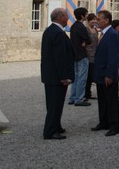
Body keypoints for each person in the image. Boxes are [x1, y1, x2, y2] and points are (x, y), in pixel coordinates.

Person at [40, 7, 74, 140]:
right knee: (55, 104)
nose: (68, 18)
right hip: (56, 76)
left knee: (53, 103)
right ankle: (50, 131)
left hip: (49, 75)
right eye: (66, 16)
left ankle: (56, 125)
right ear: (60, 17)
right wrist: (64, 76)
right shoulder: (58, 33)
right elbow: (60, 57)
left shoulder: (49, 30)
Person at [91, 10, 119, 137]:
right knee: (102, 99)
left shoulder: (112, 34)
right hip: (101, 72)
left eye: (98, 19)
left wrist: (109, 74)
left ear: (106, 20)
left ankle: (114, 125)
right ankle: (104, 121)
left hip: (108, 74)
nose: (96, 21)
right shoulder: (103, 33)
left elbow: (114, 57)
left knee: (111, 101)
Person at [69, 7, 91, 106]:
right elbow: (88, 40)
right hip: (81, 54)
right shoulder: (82, 27)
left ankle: (72, 97)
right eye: (86, 14)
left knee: (76, 77)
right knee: (82, 77)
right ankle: (79, 98)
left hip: (74, 54)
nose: (87, 16)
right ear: (82, 16)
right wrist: (85, 42)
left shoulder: (73, 26)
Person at [84, 13, 98, 100]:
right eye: (92, 19)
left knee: (92, 73)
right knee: (88, 74)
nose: (94, 21)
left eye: (95, 19)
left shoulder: (96, 30)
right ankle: (86, 93)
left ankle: (89, 92)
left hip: (95, 52)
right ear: (88, 21)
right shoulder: (86, 29)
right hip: (88, 53)